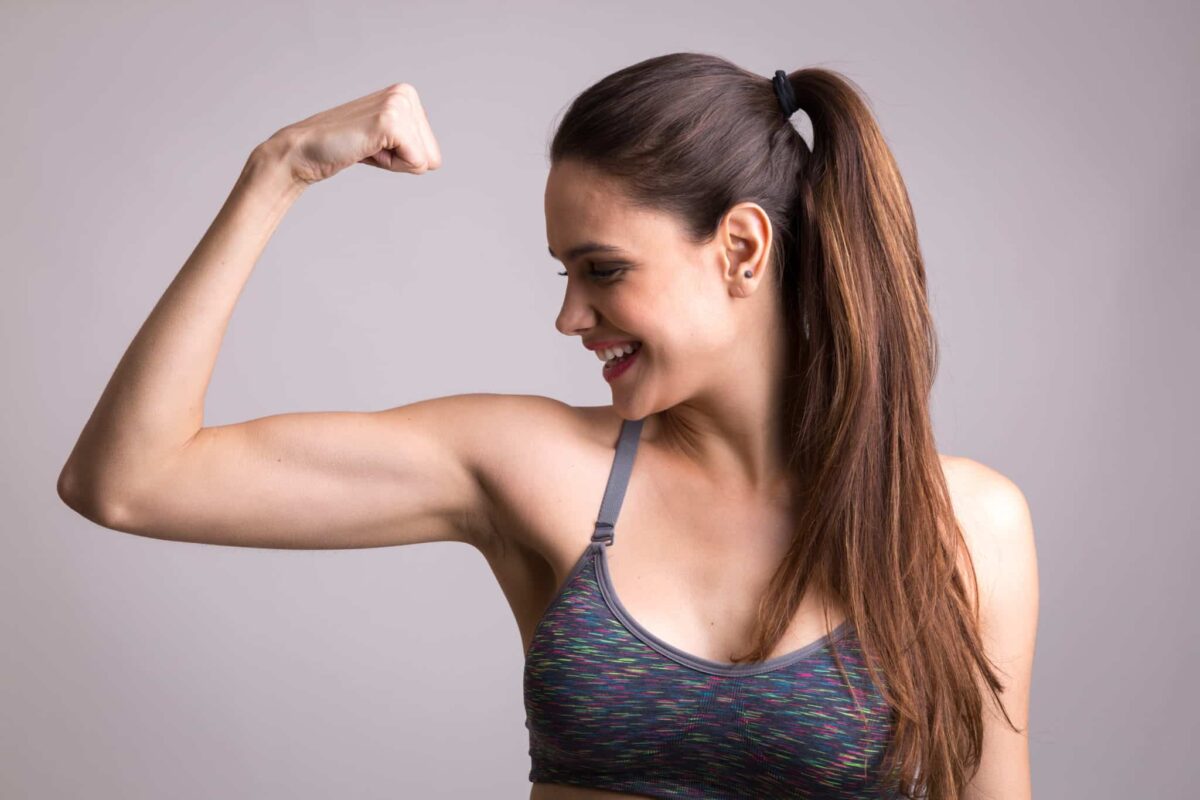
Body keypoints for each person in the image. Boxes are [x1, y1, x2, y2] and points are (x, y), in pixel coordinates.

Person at [57, 52, 1038, 800]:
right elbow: (129, 479)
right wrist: (275, 172)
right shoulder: (535, 467)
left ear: (741, 247)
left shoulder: (969, 527)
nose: (569, 316)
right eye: (562, 274)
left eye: (602, 270)